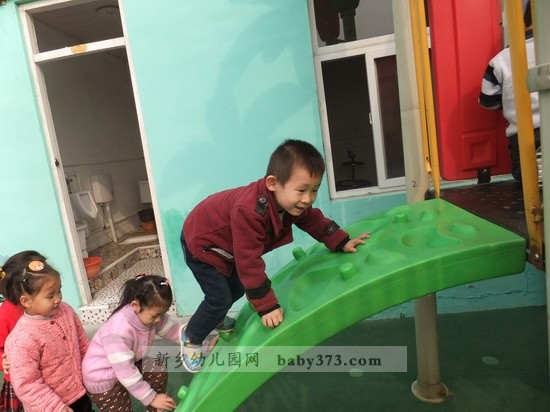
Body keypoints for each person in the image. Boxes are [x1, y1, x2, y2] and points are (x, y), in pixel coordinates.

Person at [180, 138, 370, 372]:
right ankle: (191, 336)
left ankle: (215, 317)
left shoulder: (289, 202)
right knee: (218, 298)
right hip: (201, 242)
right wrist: (267, 306)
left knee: (236, 288)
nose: (308, 199)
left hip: (224, 245)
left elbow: (313, 220)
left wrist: (341, 240)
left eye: (314, 190)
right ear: (273, 183)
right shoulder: (250, 211)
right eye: (301, 190)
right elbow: (249, 261)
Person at [82, 274, 180, 412]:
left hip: (126, 364)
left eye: (162, 314)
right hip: (103, 379)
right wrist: (151, 397)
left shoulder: (149, 315)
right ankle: (153, 401)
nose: (159, 320)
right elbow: (125, 372)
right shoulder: (119, 331)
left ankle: (154, 409)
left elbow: (174, 330)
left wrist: (198, 342)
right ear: (135, 306)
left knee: (156, 368)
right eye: (155, 315)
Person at [4, 258, 92, 412]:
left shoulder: (66, 311)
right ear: (26, 301)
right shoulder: (22, 339)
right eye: (50, 296)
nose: (58, 299)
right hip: (51, 406)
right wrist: (55, 406)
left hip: (80, 393)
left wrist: (91, 370)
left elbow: (83, 343)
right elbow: (27, 383)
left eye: (59, 291)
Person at [478, 0, 540, 182]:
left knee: (524, 173)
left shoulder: (500, 60)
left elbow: (487, 101)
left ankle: (530, 171)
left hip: (526, 138)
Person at [0, 250, 46, 412]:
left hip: (45, 374)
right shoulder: (5, 314)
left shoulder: (46, 306)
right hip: (21, 381)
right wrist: (2, 361)